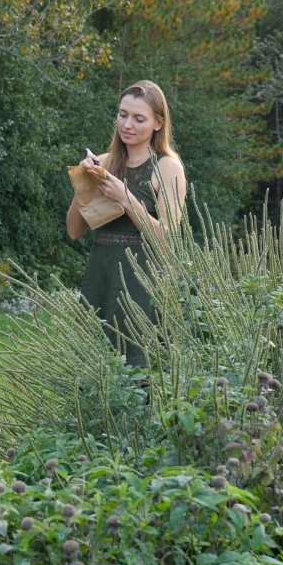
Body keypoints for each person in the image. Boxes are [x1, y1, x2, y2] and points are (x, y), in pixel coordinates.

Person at [66, 80, 187, 367]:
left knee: (141, 376)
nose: (127, 124)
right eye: (123, 115)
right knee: (93, 375)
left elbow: (168, 241)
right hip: (101, 276)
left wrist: (125, 198)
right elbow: (74, 231)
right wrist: (83, 183)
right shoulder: (105, 162)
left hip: (142, 282)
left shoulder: (168, 167)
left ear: (159, 123)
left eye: (138, 118)